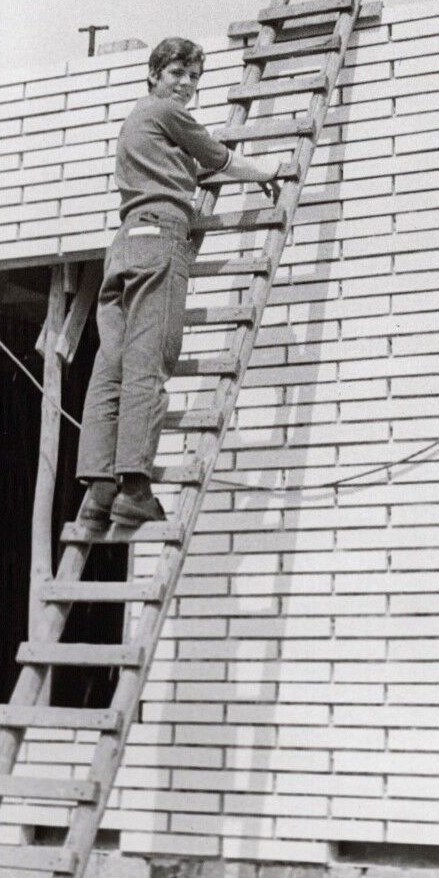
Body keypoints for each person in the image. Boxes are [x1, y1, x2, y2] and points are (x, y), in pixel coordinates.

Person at [76, 37, 281, 530]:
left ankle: (98, 489)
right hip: (159, 238)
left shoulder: (134, 124)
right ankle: (135, 487)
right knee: (151, 359)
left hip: (125, 242)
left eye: (194, 78)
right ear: (154, 75)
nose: (186, 85)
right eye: (177, 74)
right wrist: (266, 171)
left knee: (113, 364)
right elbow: (219, 159)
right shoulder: (165, 113)